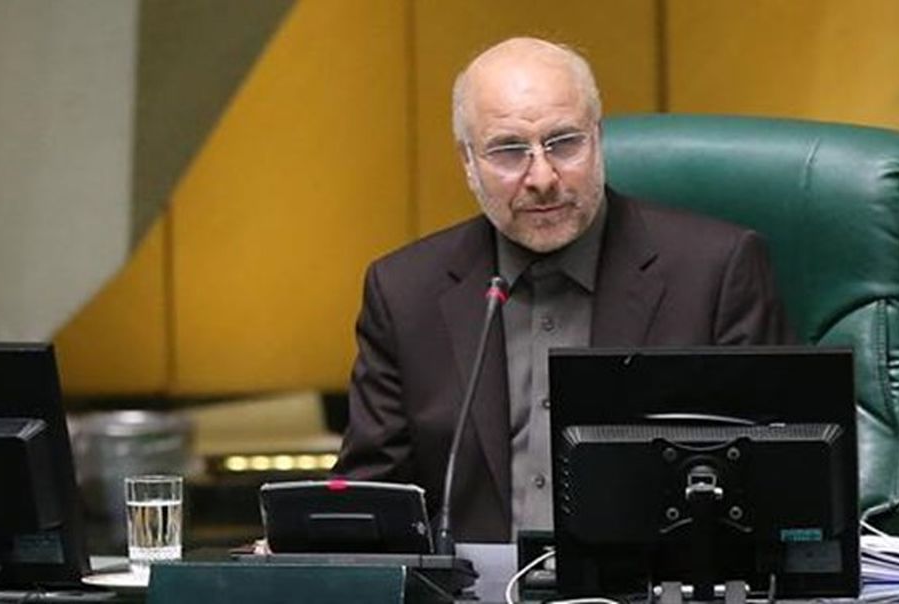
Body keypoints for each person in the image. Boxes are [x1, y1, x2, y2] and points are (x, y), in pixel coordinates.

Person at [332, 37, 791, 542]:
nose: (542, 177)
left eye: (564, 142)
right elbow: (370, 505)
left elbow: (778, 484)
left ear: (598, 138)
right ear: (467, 161)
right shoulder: (404, 293)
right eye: (509, 151)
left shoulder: (715, 272)